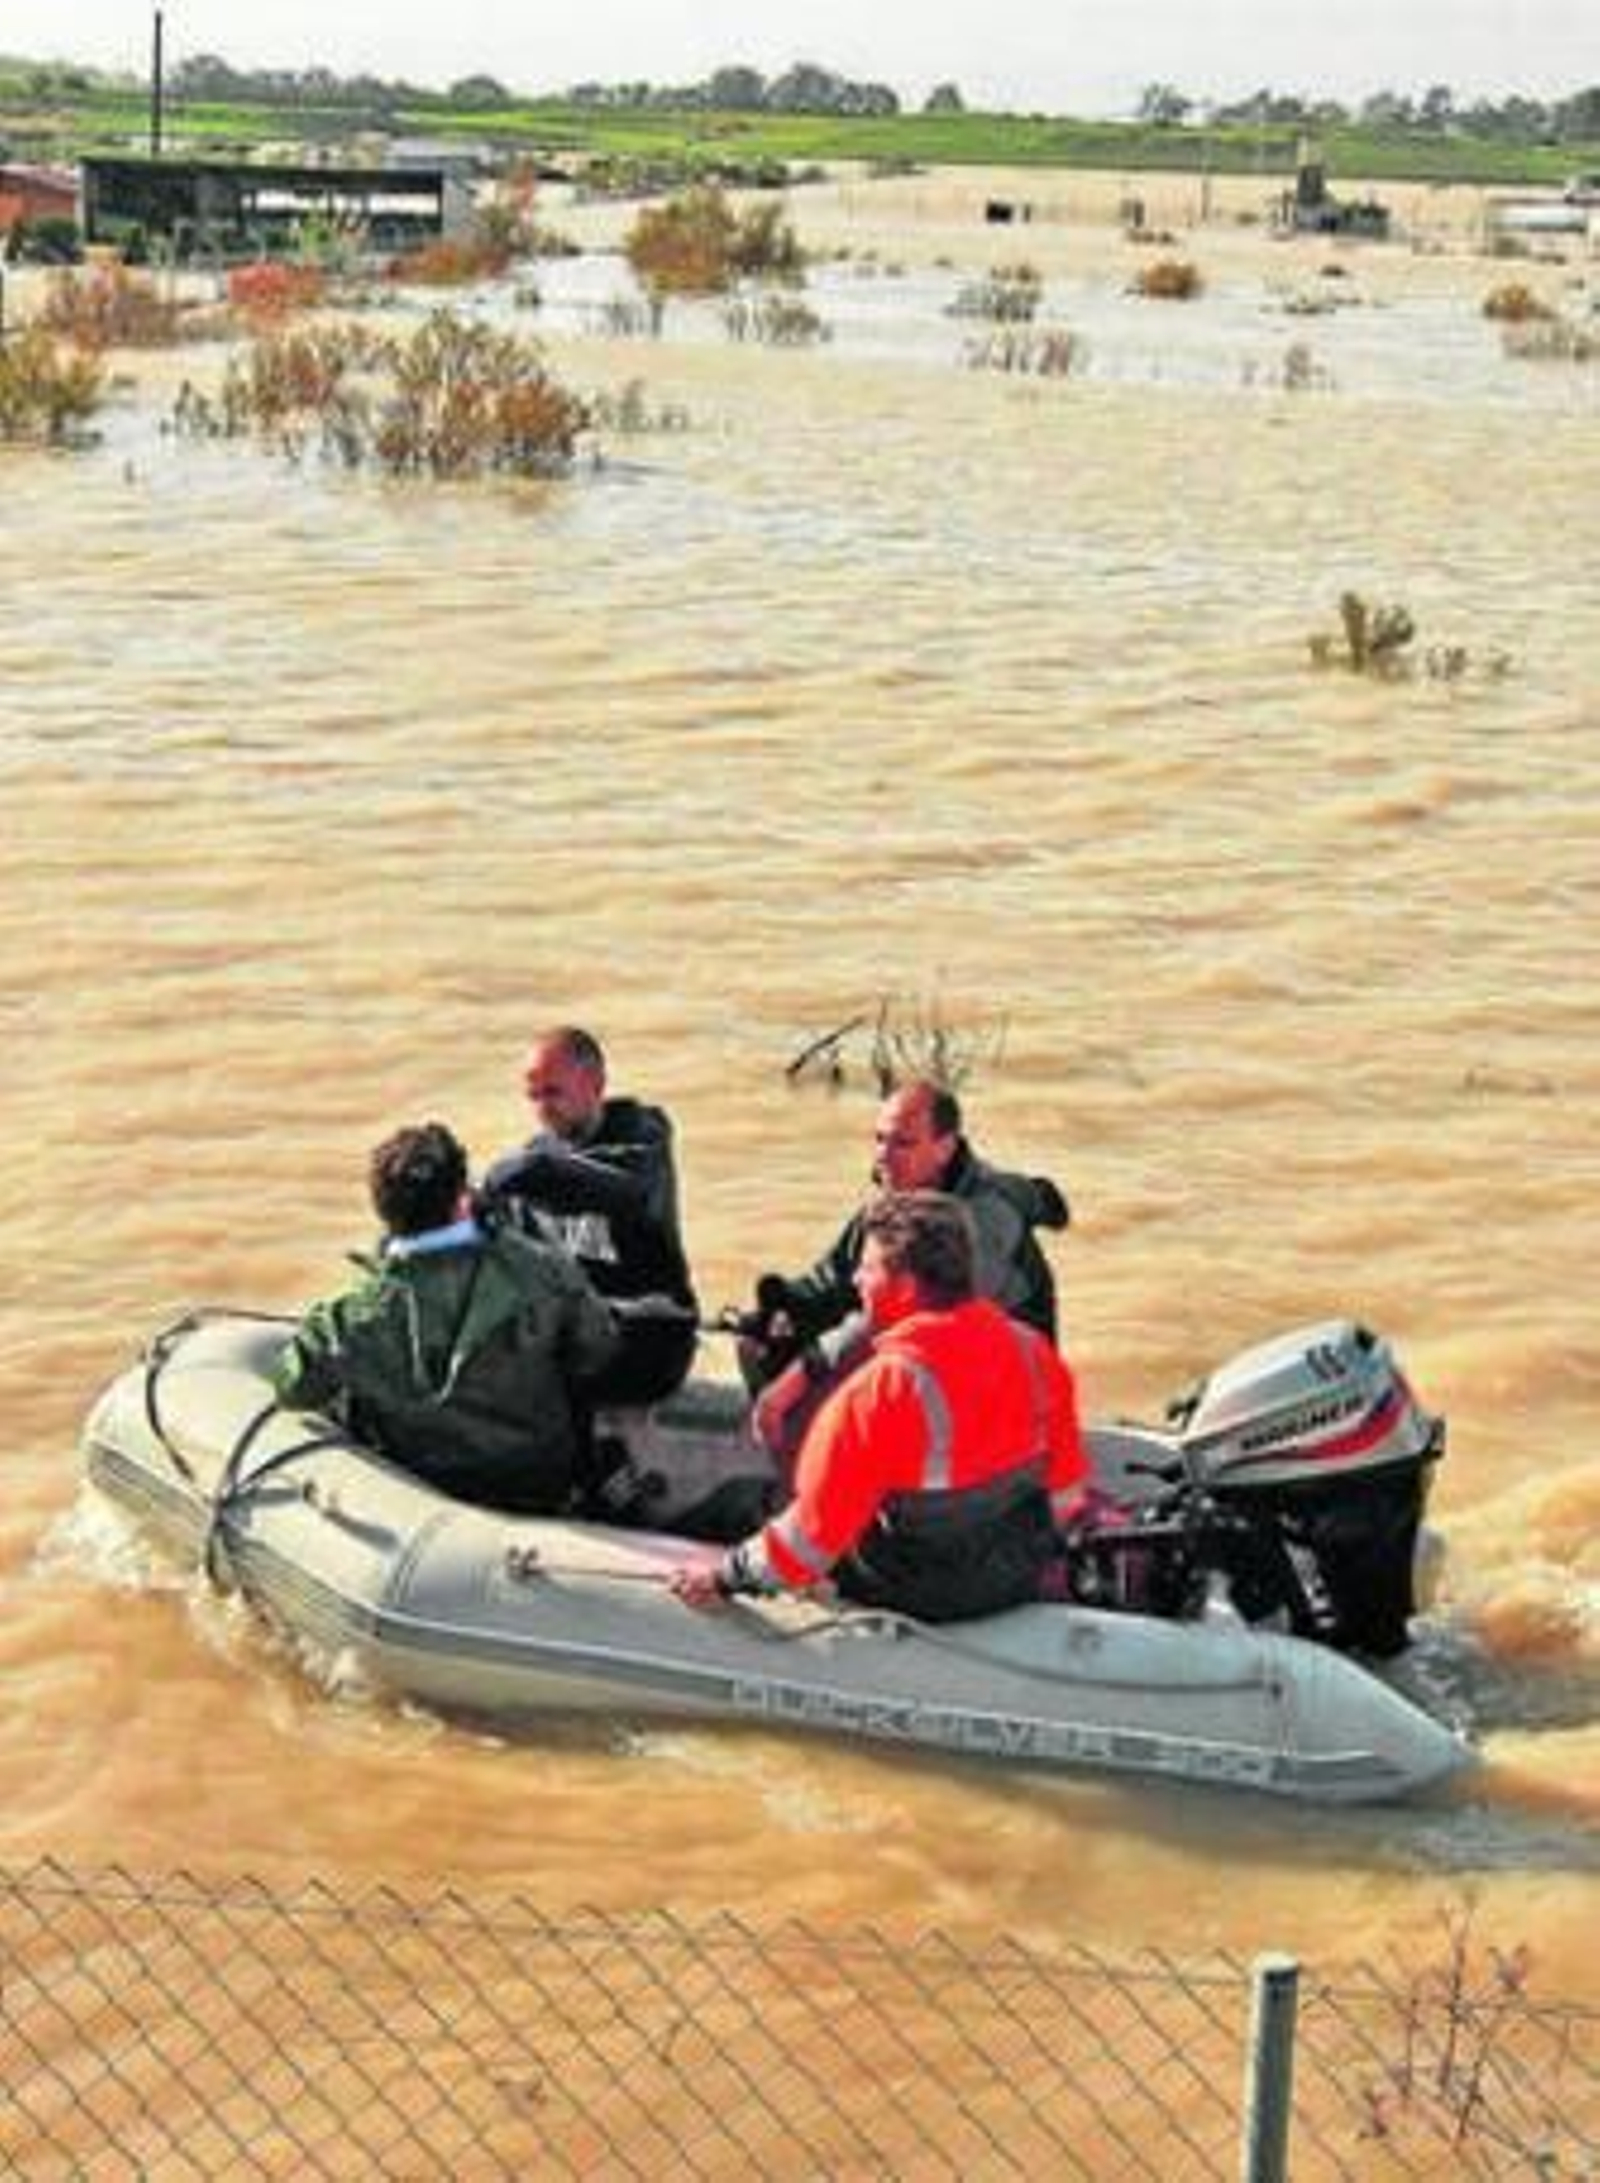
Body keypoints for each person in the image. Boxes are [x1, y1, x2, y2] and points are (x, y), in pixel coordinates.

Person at [674, 1190, 1089, 1624]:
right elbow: (1067, 1497)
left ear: (905, 1287)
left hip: (922, 1588)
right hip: (1016, 1571)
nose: (855, 1280)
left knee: (741, 1505)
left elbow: (806, 1546)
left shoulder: (879, 1392)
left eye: (867, 1269)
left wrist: (723, 1578)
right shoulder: (1033, 1350)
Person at [272, 1121, 618, 1514]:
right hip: (538, 1479)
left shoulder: (348, 1319)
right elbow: (598, 1350)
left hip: (417, 1492)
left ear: (382, 1209)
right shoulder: (540, 1269)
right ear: (461, 1201)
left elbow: (293, 1389)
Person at [741, 1078, 1069, 1459]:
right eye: (879, 1139)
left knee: (843, 1368)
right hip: (934, 1361)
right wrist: (785, 1308)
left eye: (902, 1143)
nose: (883, 1155)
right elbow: (834, 1278)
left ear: (945, 1147)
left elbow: (918, 1322)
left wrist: (801, 1374)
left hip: (1007, 1392)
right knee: (763, 1347)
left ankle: (841, 1496)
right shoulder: (894, 1194)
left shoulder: (983, 1219)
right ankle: (810, 1479)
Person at [481, 1027, 699, 1408]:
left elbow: (631, 1189)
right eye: (533, 1096)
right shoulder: (535, 1162)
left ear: (596, 1083)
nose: (542, 1108)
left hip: (651, 1340)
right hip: (580, 1333)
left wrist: (534, 1169)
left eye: (553, 1092)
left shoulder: (643, 1137)